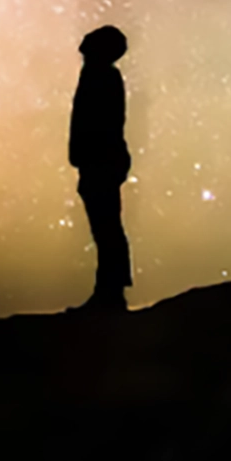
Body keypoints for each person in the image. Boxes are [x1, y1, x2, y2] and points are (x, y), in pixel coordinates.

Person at [68, 25, 133, 312]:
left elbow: (101, 124)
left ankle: (111, 293)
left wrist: (91, 158)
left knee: (106, 227)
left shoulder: (102, 77)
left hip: (100, 161)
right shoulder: (99, 75)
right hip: (98, 160)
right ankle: (109, 291)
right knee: (105, 227)